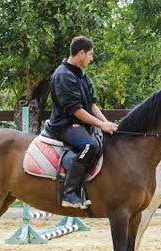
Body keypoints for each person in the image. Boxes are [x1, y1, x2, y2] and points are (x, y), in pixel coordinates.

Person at [48, 36, 118, 209]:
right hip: (65, 125)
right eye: (90, 54)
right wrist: (101, 125)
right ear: (81, 53)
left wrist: (106, 123)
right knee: (89, 146)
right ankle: (70, 193)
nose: (91, 58)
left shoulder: (81, 74)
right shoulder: (63, 75)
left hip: (81, 124)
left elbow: (92, 104)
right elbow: (76, 110)